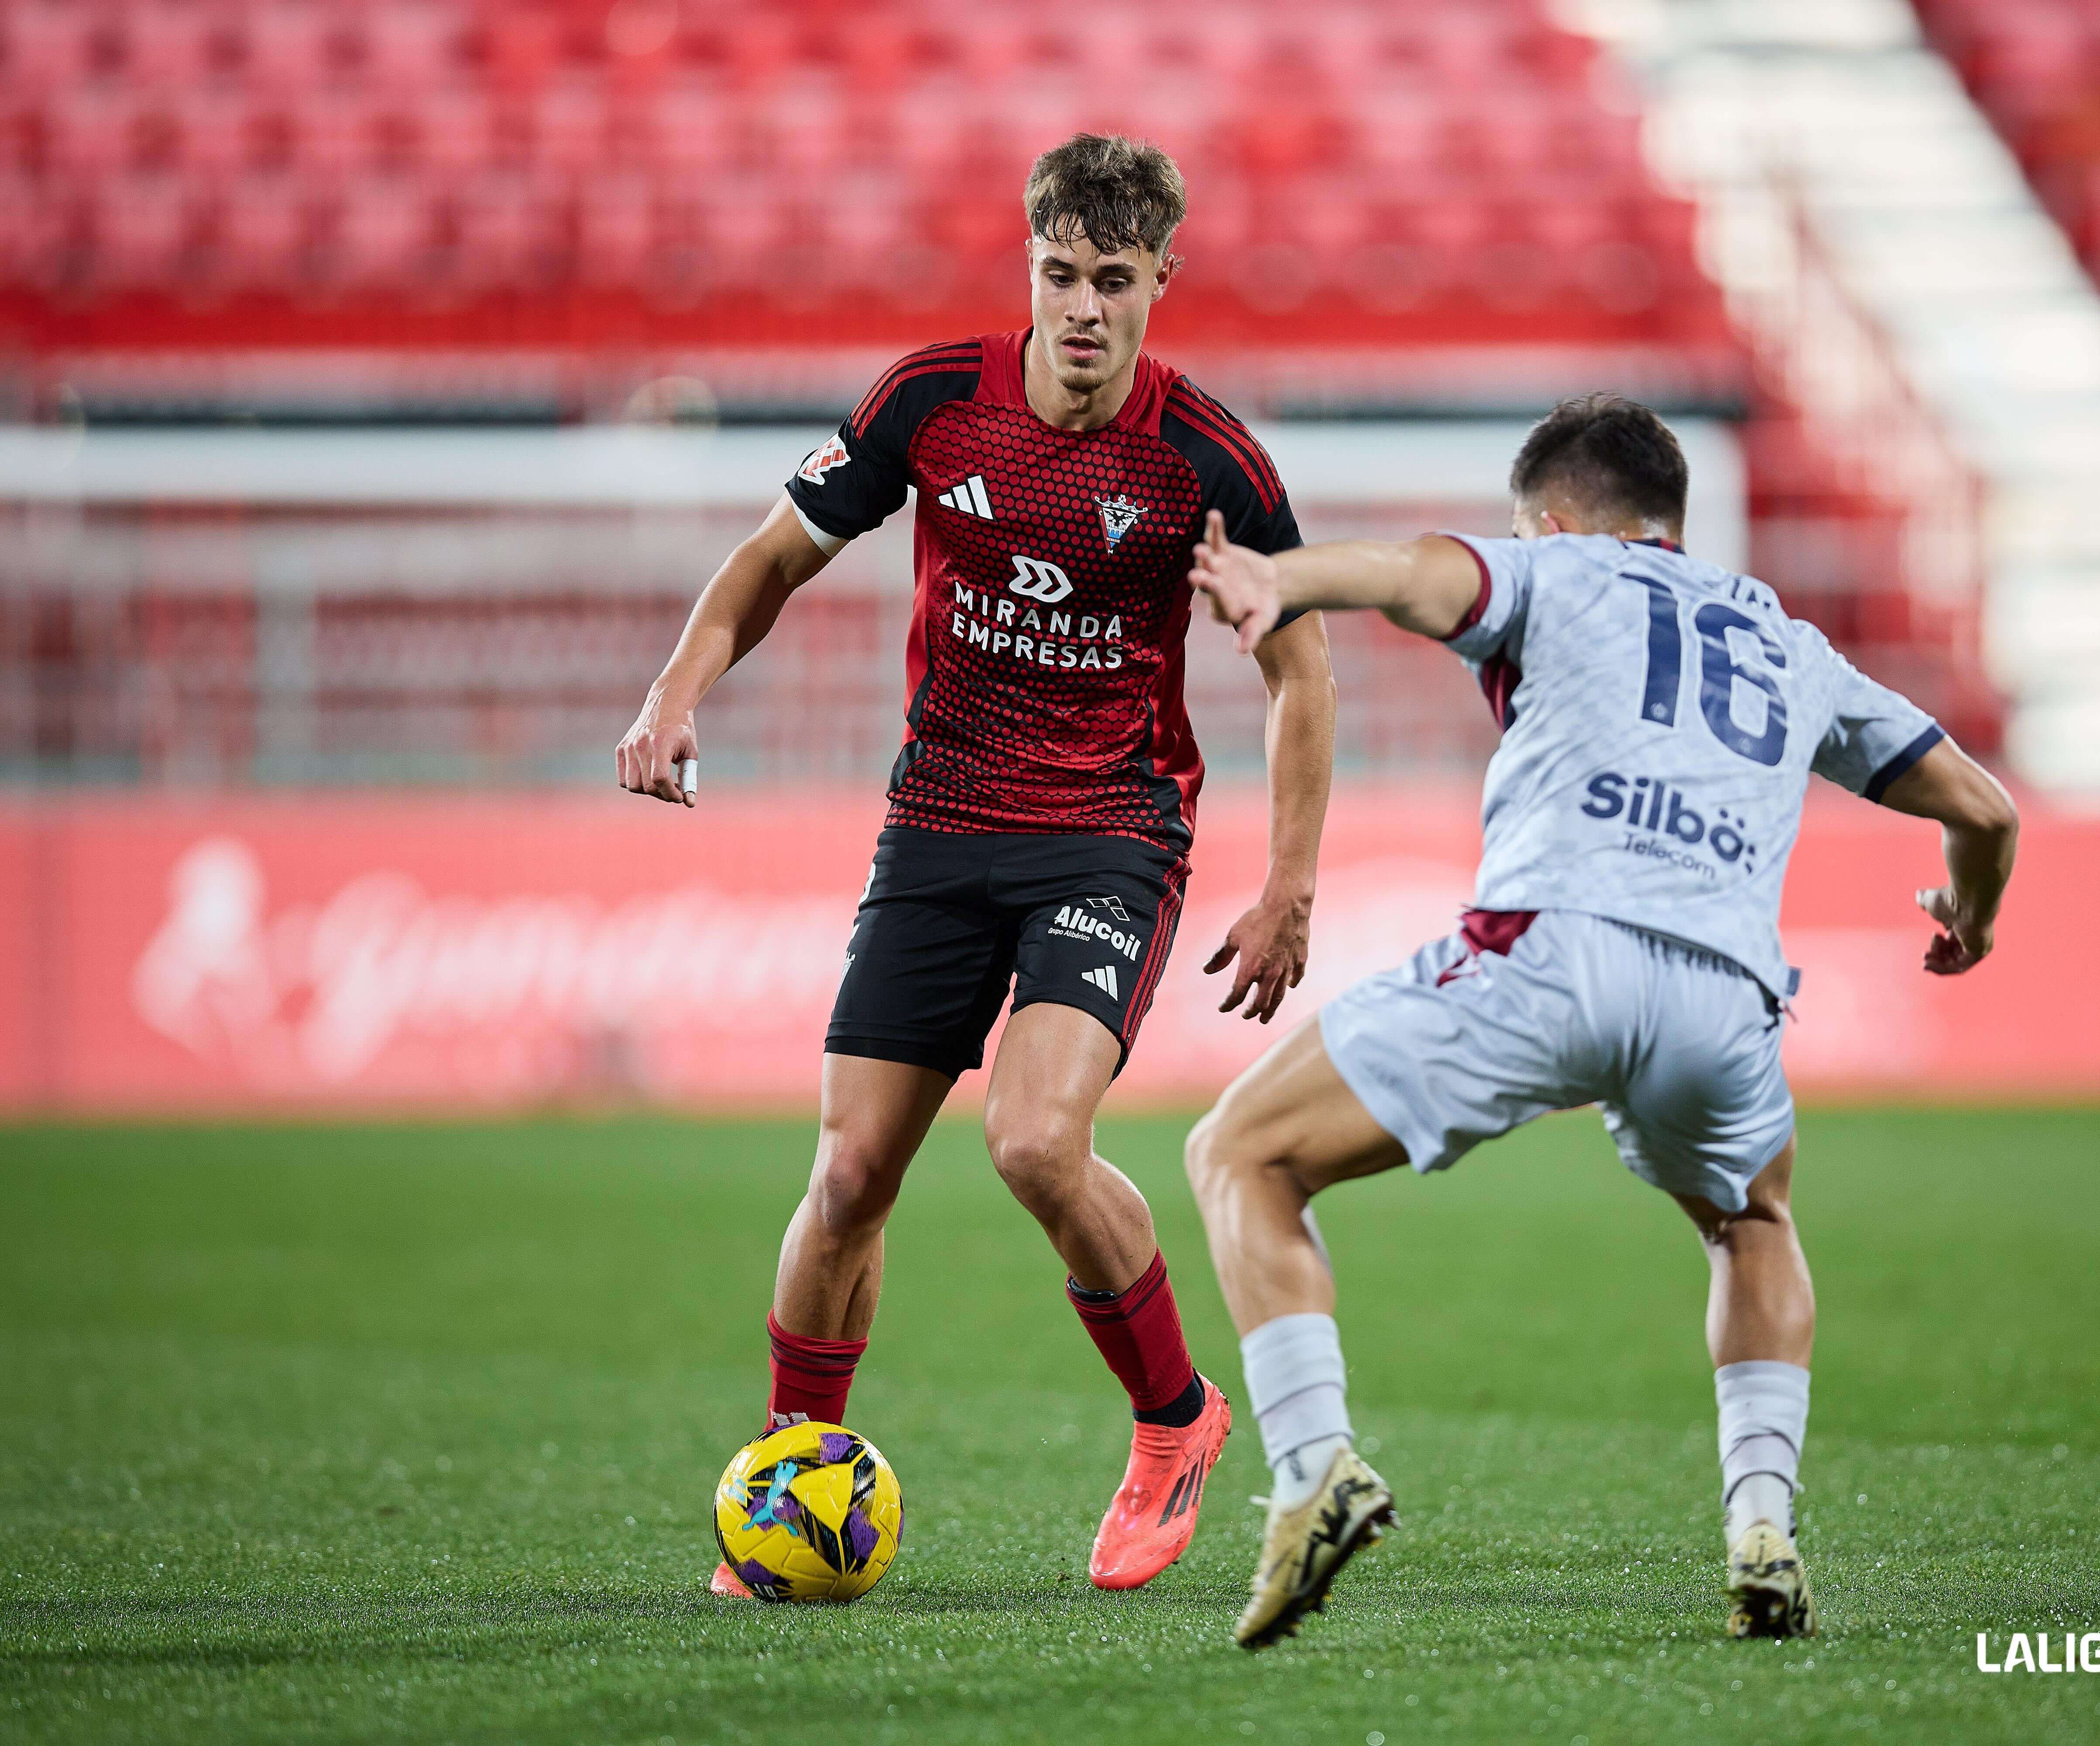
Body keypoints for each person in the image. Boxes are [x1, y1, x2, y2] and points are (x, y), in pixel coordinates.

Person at [616, 134, 1337, 1597]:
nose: (1082, 307)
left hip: (1107, 832)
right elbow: (770, 559)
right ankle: (793, 1477)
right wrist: (674, 689)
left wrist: (1290, 885)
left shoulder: (1206, 461)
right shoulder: (931, 405)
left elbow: (1301, 673)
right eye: (1060, 274)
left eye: (1114, 281)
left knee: (1031, 1141)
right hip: (940, 823)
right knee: (848, 1172)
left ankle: (1177, 1420)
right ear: (1031, 265)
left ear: (1158, 286)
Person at [1179, 394, 2018, 1647]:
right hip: (1725, 1000)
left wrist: (1274, 577)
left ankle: (1313, 1468)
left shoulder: (1552, 568)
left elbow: (1417, 574)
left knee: (1239, 1154)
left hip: (1551, 951)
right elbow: (1987, 810)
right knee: (1753, 1221)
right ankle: (1762, 1527)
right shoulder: (1789, 643)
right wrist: (1973, 914)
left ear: (1559, 519)